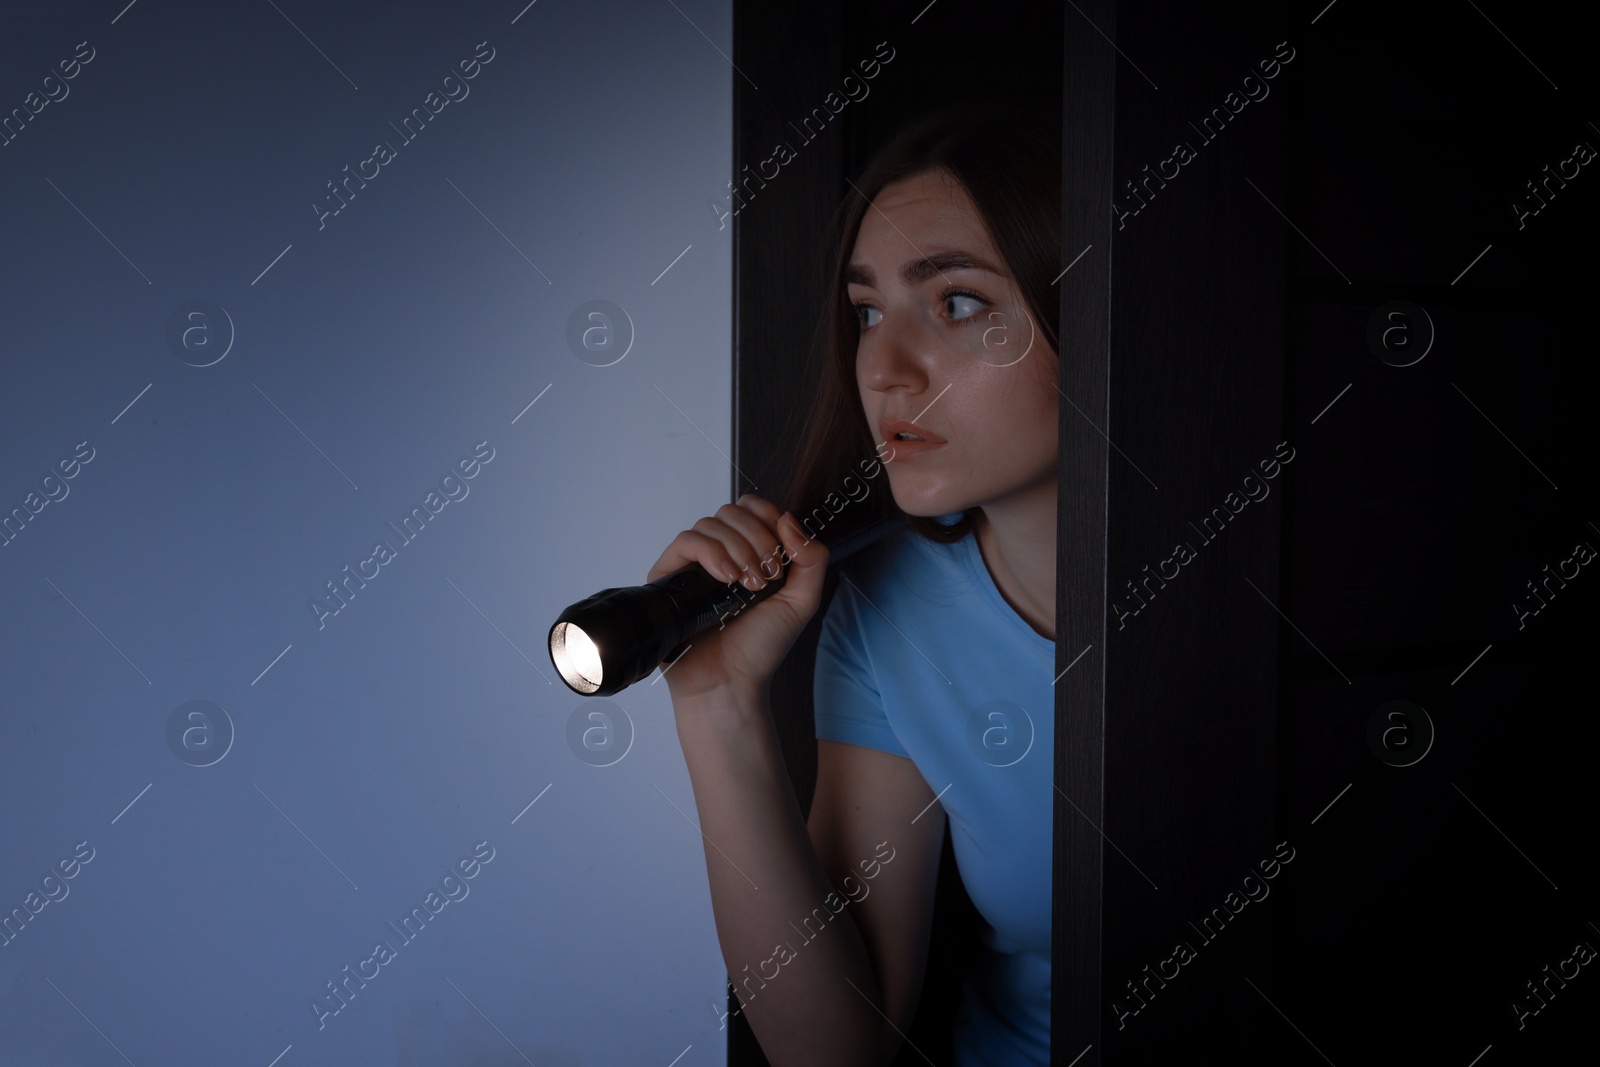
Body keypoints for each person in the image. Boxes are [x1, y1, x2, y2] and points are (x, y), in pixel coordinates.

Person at [648, 104, 1060, 1066]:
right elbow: (839, 1050)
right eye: (868, 311)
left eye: (957, 302)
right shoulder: (885, 608)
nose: (883, 367)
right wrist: (714, 708)